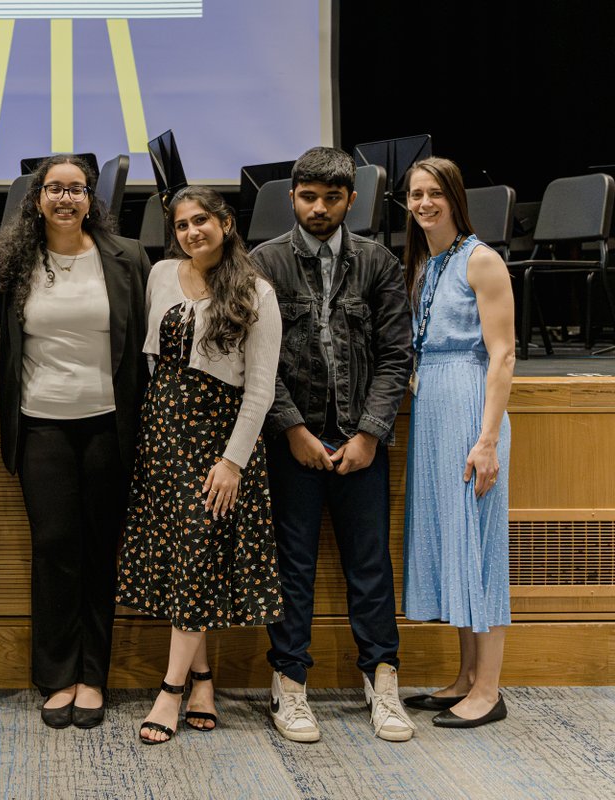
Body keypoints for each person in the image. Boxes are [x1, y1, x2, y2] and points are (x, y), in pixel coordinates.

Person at [251, 147, 415, 743]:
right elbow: (255, 361)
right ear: (292, 197)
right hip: (290, 443)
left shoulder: (377, 262)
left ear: (352, 200)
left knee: (370, 567)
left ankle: (382, 680)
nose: (318, 208)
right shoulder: (263, 261)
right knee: (291, 568)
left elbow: (398, 355)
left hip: (360, 443)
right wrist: (292, 428)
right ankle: (289, 685)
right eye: (308, 197)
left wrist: (370, 433)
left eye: (331, 198)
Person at [116, 187, 283, 744]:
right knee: (189, 561)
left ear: (227, 223)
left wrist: (232, 462)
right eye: (183, 224)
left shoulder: (257, 290)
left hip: (217, 441)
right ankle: (204, 678)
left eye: (202, 221)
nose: (192, 232)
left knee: (196, 556)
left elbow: (260, 390)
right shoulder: (162, 273)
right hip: (163, 430)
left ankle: (170, 690)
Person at [0, 154, 151, 729]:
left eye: (75, 189)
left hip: (109, 423)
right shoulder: (14, 264)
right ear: (37, 199)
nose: (65, 198)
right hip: (42, 424)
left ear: (91, 199)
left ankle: (93, 674)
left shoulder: (127, 256)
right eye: (53, 189)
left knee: (97, 550)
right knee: (55, 547)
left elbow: (144, 346)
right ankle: (57, 675)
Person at [401, 157, 514, 728]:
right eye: (415, 194)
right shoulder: (428, 262)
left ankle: (489, 691)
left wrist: (488, 439)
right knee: (455, 540)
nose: (423, 203)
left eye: (434, 193)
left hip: (471, 404)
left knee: (481, 545)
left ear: (455, 196)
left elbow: (503, 354)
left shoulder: (482, 260)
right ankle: (467, 676)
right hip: (433, 406)